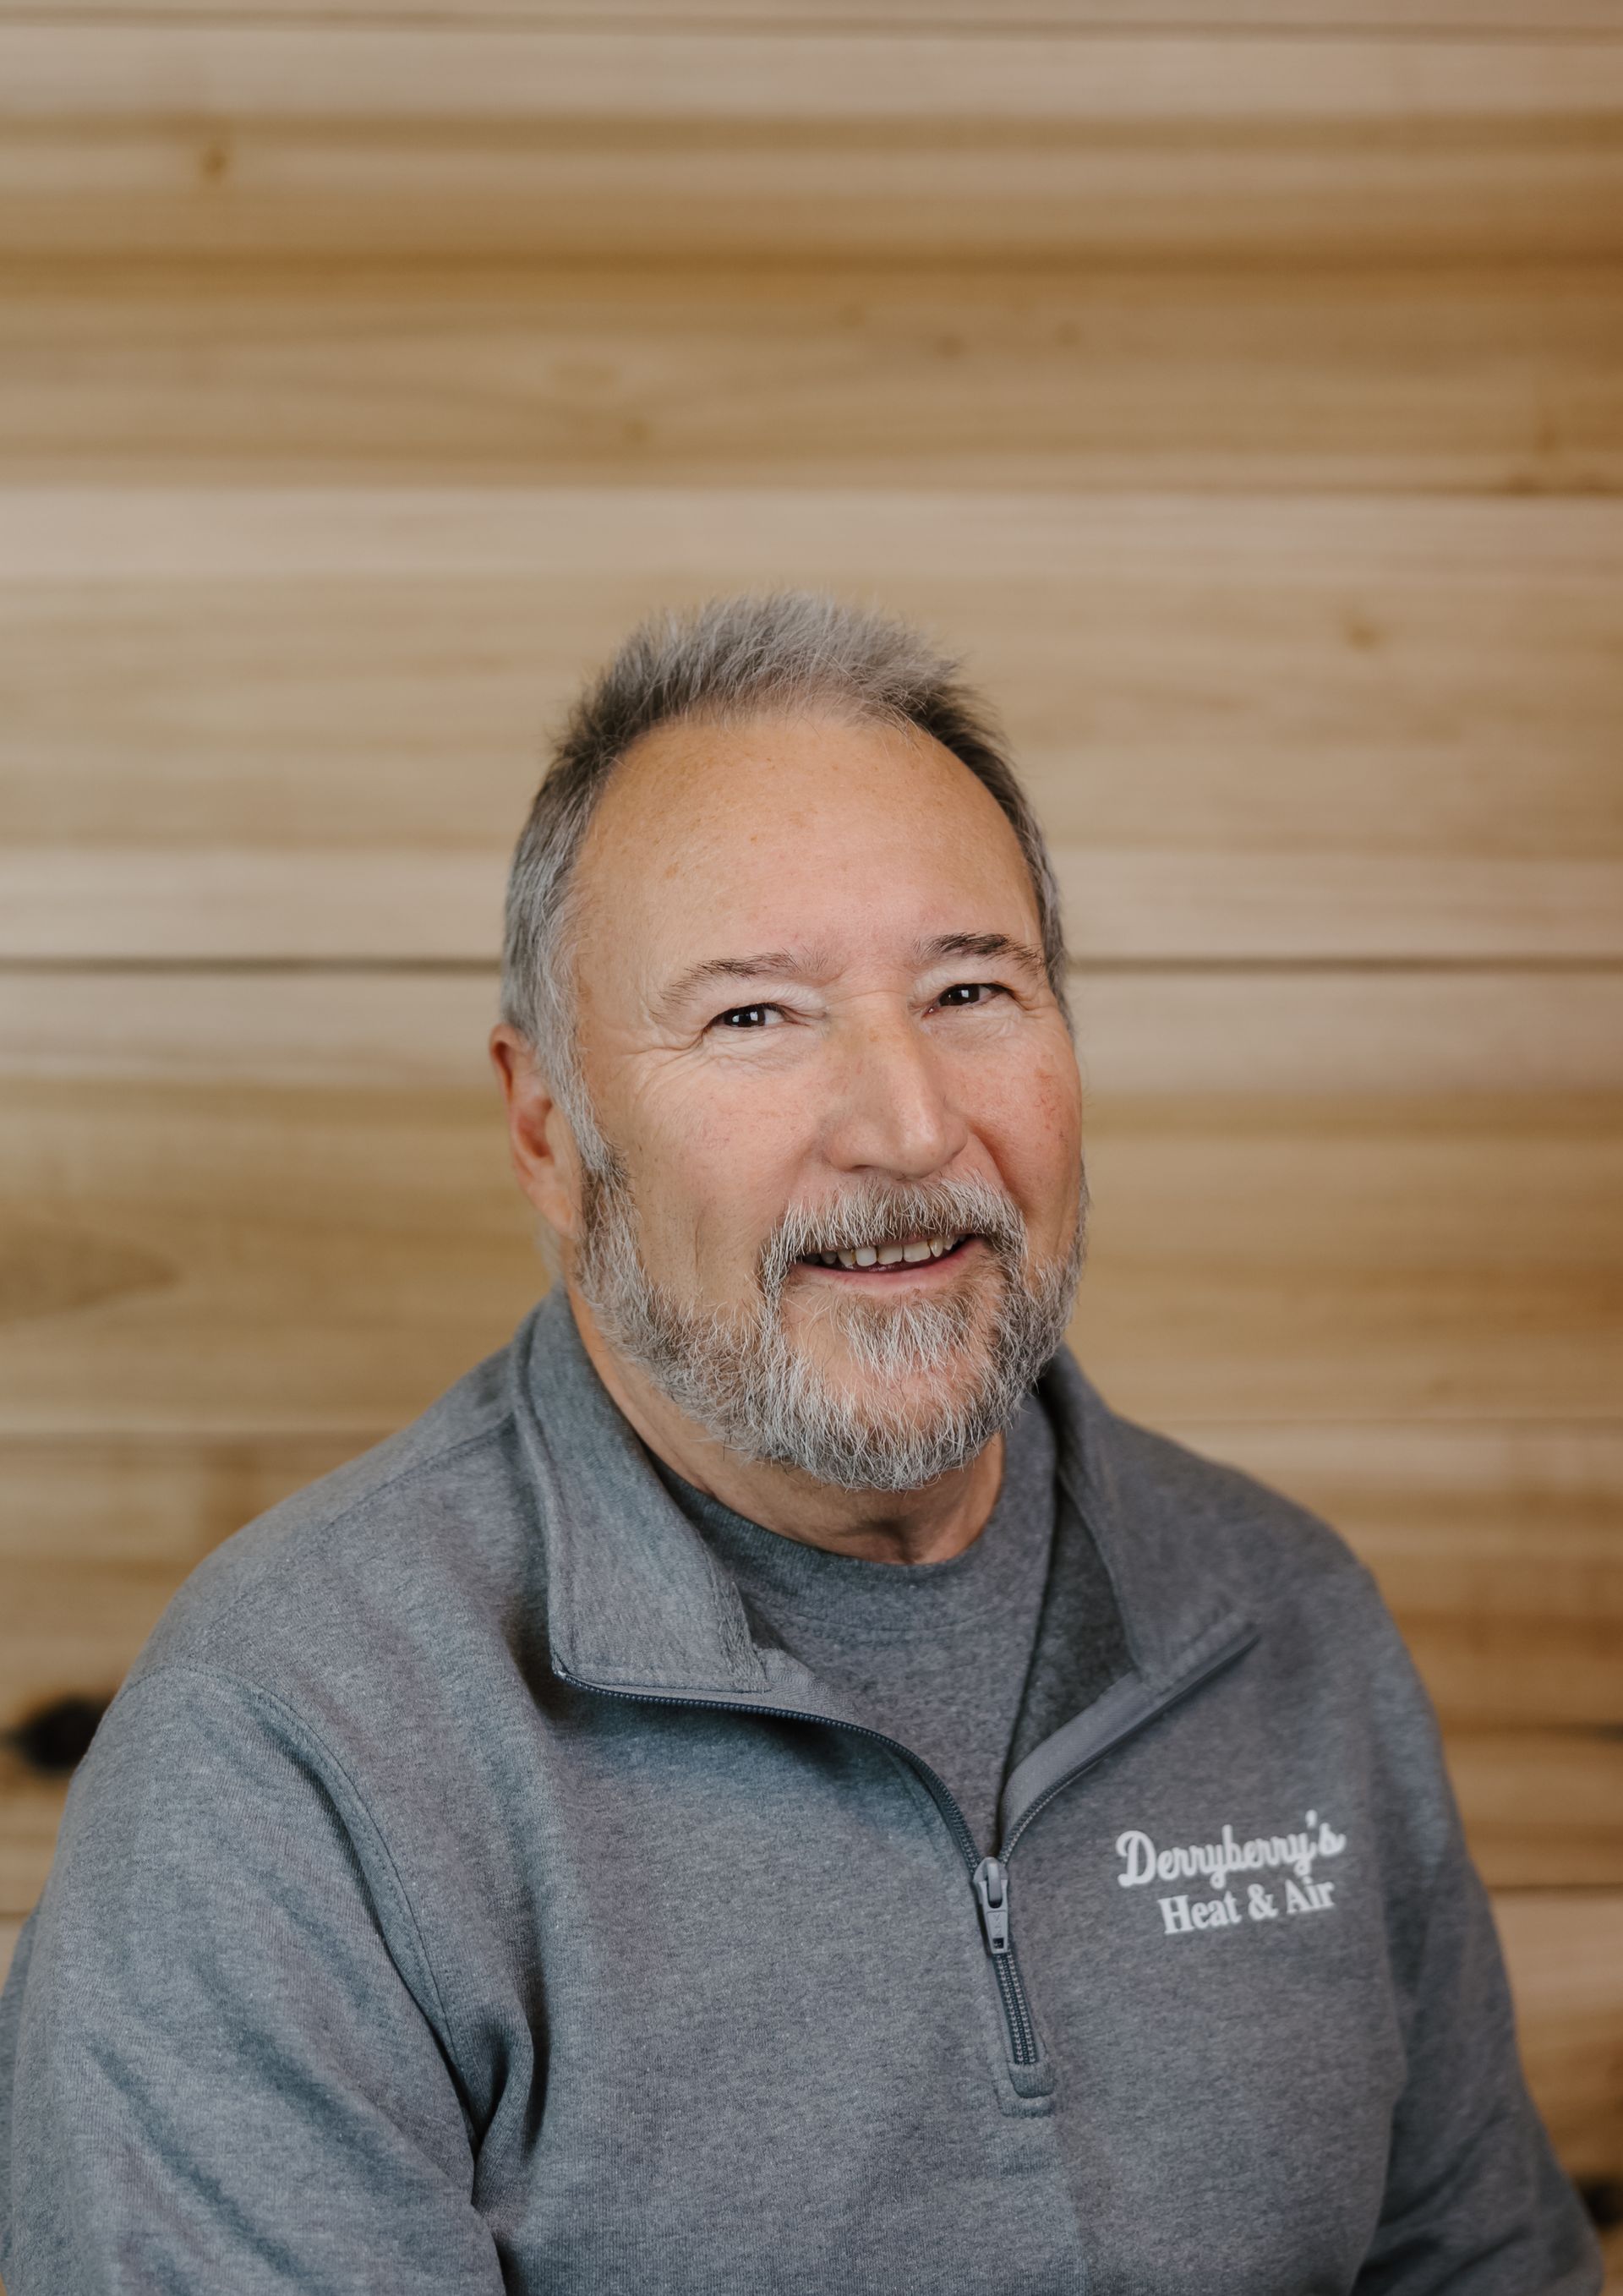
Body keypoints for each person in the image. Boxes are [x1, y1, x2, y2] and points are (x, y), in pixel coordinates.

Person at [0, 593, 1600, 2294]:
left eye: (973, 985)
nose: (910, 1126)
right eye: (755, 1016)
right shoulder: (286, 1751)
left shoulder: (1286, 1616)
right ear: (551, 1130)